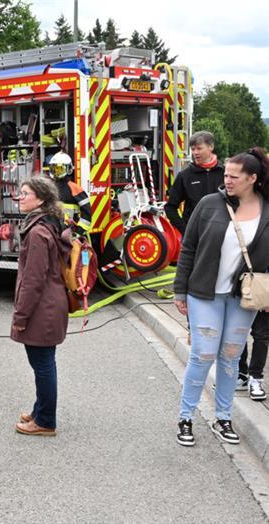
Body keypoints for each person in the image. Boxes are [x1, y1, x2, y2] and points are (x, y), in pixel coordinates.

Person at [173, 147, 269, 447]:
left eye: (234, 176)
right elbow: (188, 248)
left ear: (252, 179)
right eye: (225, 174)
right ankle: (186, 417)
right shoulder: (209, 204)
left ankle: (223, 418)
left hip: (242, 297)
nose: (227, 180)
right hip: (204, 293)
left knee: (230, 356)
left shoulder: (266, 210)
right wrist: (179, 289)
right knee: (203, 355)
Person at [10, 176, 71, 437]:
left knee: (43, 365)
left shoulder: (37, 232)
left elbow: (33, 280)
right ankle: (40, 411)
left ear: (41, 199)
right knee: (44, 363)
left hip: (42, 308)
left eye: (25, 193)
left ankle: (45, 421)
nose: (20, 197)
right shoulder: (48, 223)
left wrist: (20, 316)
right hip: (51, 303)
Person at [165, 131, 225, 234]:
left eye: (199, 148)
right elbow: (170, 208)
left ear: (211, 147)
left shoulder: (225, 173)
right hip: (195, 236)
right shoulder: (185, 175)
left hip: (221, 233)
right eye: (193, 149)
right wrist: (186, 230)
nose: (195, 152)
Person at [48, 151, 91, 235]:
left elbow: (87, 213)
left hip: (69, 232)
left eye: (60, 169)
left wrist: (78, 233)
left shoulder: (75, 188)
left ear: (69, 169)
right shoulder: (49, 187)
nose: (57, 172)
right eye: (55, 169)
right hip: (52, 232)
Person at [238, 312, 269, 400]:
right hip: (238, 303)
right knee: (238, 332)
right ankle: (241, 374)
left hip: (262, 304)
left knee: (262, 335)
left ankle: (255, 378)